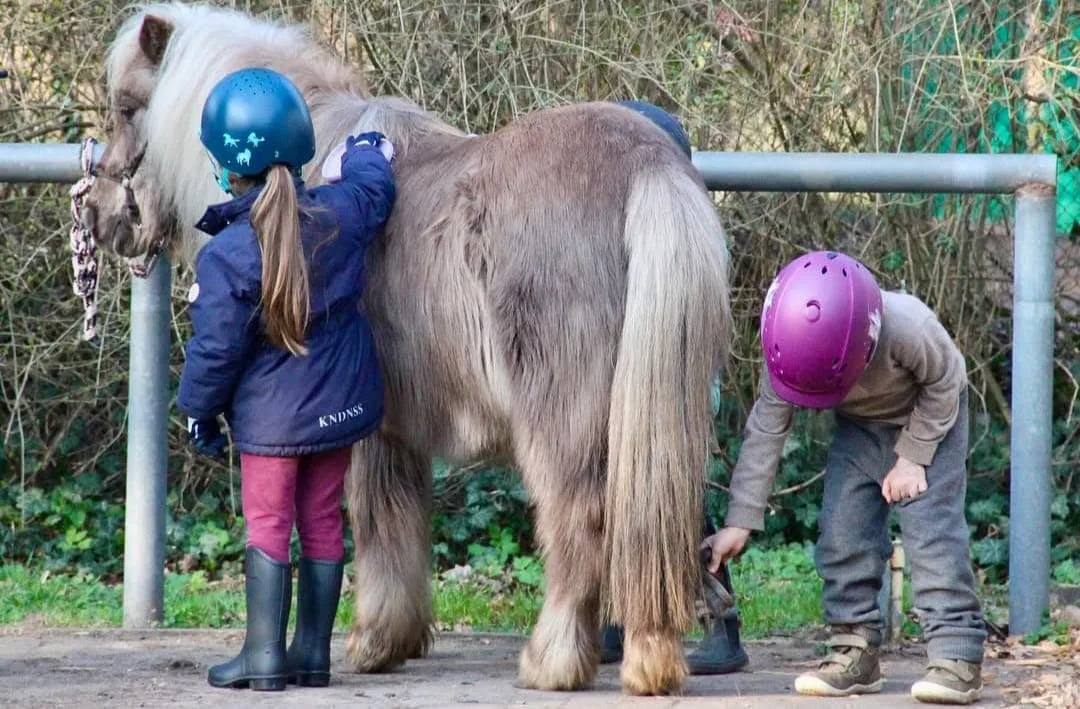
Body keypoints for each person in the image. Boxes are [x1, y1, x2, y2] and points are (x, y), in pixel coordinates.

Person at [176, 66, 396, 692]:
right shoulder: (342, 215)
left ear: (224, 167)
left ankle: (263, 657)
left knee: (269, 526)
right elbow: (373, 186)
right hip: (339, 412)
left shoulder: (229, 254)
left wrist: (198, 410)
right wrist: (364, 149)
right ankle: (312, 657)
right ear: (302, 150)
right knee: (324, 520)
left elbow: (214, 351)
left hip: (271, 426)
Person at [703, 251, 987, 704]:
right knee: (841, 532)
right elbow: (766, 430)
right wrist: (741, 519)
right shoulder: (786, 343)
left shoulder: (908, 326)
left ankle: (956, 653)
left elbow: (946, 381)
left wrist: (913, 457)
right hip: (859, 430)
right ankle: (854, 651)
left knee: (931, 537)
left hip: (928, 422)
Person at [597, 98, 749, 676]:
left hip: (677, 394)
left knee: (685, 512)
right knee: (615, 502)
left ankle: (724, 627)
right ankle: (617, 621)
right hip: (634, 388)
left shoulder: (688, 225)